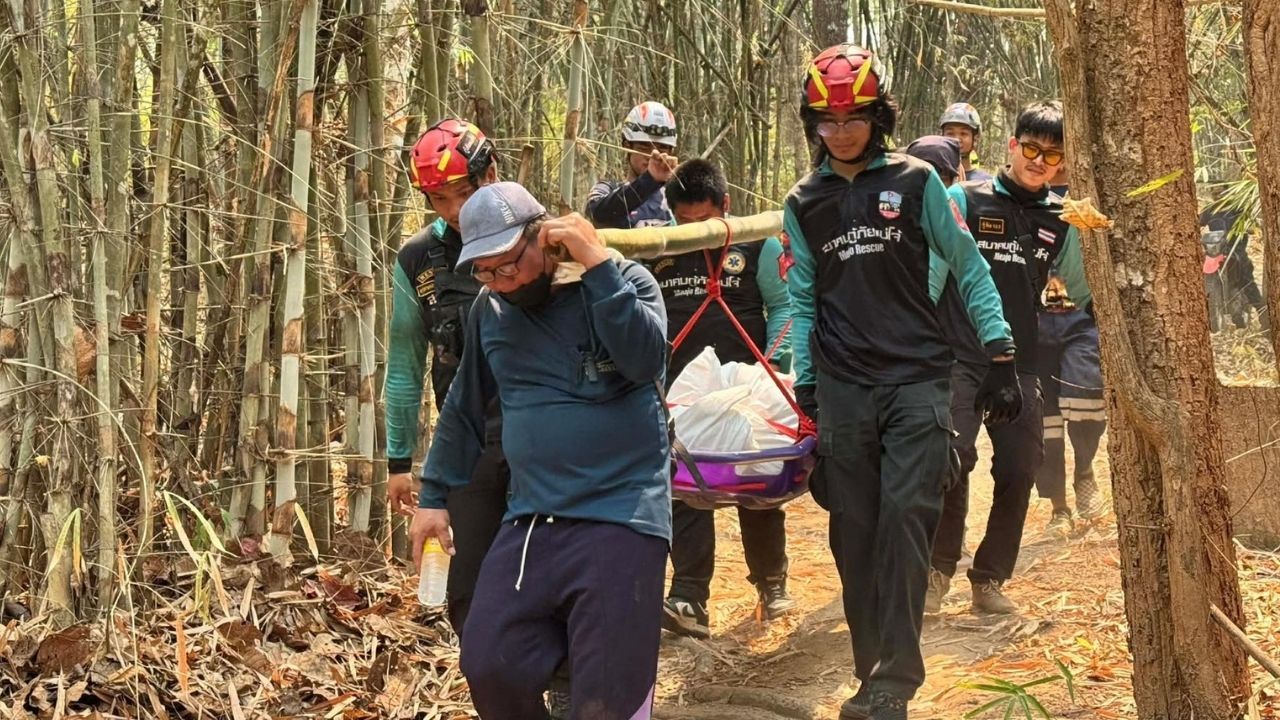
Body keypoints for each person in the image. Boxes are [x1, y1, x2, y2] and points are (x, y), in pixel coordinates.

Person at [786, 44, 1018, 720]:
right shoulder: (805, 202)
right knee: (852, 531)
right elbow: (804, 299)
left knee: (906, 523)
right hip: (843, 389)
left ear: (877, 113)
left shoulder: (919, 184)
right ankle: (871, 675)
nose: (840, 131)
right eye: (825, 120)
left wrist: (1000, 354)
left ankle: (895, 680)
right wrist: (806, 385)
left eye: (853, 116)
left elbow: (970, 270)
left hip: (918, 381)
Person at [410, 182, 671, 720]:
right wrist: (433, 496)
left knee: (605, 698)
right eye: (485, 271)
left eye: (509, 265)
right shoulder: (491, 310)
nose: (503, 282)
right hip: (533, 518)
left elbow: (645, 360)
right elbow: (463, 405)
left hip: (621, 511)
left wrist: (598, 266)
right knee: (490, 662)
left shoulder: (625, 282)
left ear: (546, 239)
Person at [927, 100, 1093, 618]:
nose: (1039, 161)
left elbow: (1083, 290)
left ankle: (991, 578)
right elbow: (932, 275)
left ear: (1063, 165)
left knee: (1022, 466)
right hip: (956, 355)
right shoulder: (962, 199)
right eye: (1031, 148)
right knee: (952, 461)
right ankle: (935, 572)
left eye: (1052, 156)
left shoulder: (1061, 220)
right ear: (1011, 145)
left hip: (1020, 363)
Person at [654, 158, 794, 639]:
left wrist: (775, 372)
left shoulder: (756, 246)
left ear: (725, 206)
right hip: (682, 396)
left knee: (757, 490)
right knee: (686, 491)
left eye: (705, 220)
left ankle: (772, 581)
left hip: (747, 390)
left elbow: (784, 307)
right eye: (684, 221)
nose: (695, 230)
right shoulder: (658, 251)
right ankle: (690, 596)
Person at [388, 119, 505, 633]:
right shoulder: (419, 259)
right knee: (471, 596)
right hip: (468, 442)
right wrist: (399, 459)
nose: (455, 211)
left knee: (550, 574)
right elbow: (405, 361)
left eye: (463, 193)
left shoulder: (542, 236)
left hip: (544, 436)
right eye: (440, 199)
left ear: (491, 174)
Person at [1036, 269, 1107, 538]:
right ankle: (1059, 508)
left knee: (1087, 395)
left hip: (1082, 321)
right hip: (1033, 323)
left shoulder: (1078, 229)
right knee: (1045, 419)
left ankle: (1084, 470)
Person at [585, 101, 679, 229]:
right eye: (644, 147)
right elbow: (597, 213)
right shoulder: (606, 190)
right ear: (626, 146)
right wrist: (650, 180)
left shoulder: (679, 195)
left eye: (662, 149)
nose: (653, 155)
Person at [939, 103, 992, 183]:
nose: (956, 140)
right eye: (950, 133)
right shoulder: (933, 177)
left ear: (975, 138)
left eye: (963, 133)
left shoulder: (986, 183)